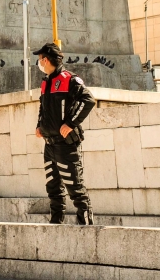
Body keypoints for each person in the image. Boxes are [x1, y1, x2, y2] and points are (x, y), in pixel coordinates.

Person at [34, 41, 95, 225]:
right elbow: (43, 107)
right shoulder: (46, 82)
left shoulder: (70, 79)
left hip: (65, 144)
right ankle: (55, 223)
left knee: (75, 186)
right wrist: (39, 126)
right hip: (49, 144)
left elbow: (88, 100)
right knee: (53, 188)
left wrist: (70, 123)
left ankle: (86, 224)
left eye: (40, 59)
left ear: (45, 60)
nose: (39, 63)